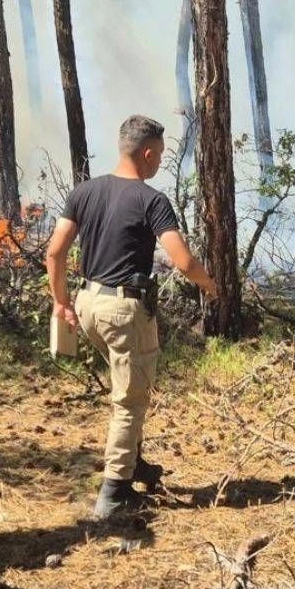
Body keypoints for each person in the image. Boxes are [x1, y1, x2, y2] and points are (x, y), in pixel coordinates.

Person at [46, 115, 218, 520]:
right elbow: (183, 259)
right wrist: (211, 285)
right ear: (146, 153)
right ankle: (114, 492)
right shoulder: (151, 200)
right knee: (130, 399)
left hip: (89, 304)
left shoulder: (84, 192)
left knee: (127, 383)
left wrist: (61, 302)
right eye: (158, 155)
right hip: (124, 310)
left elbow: (54, 253)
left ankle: (134, 462)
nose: (158, 162)